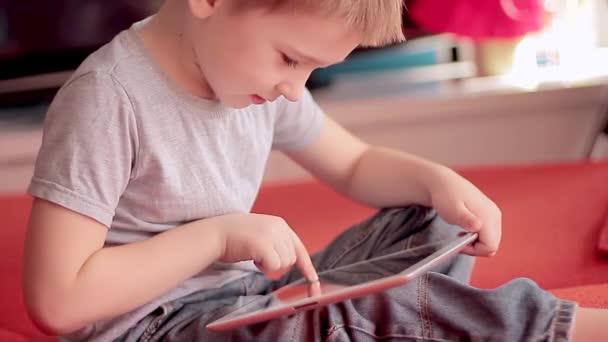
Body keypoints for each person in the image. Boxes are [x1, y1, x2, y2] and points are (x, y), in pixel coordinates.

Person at [22, 0, 607, 341]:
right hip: (156, 329)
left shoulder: (256, 80)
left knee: (430, 220)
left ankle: (413, 319)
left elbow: (353, 163)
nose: (293, 88)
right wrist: (219, 236)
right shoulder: (108, 99)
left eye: (312, 69)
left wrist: (439, 182)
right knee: (378, 309)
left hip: (248, 297)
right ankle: (560, 329)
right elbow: (59, 300)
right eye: (290, 58)